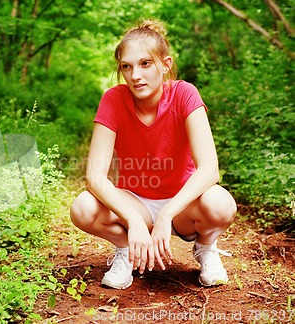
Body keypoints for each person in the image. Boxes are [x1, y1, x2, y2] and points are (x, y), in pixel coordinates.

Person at [70, 19, 237, 289]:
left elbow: (209, 169)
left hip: (183, 202)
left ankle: (205, 248)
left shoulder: (185, 94)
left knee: (221, 204)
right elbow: (95, 176)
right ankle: (125, 251)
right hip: (136, 200)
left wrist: (167, 214)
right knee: (83, 208)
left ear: (165, 65)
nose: (135, 75)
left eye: (145, 63)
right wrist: (134, 220)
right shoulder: (113, 99)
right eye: (127, 66)